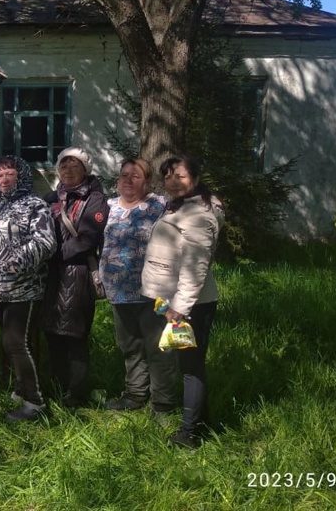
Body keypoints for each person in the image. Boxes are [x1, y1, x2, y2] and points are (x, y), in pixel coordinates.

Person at [141, 154, 223, 449]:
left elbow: (196, 266)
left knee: (191, 366)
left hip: (189, 305)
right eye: (168, 176)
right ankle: (202, 421)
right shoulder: (180, 207)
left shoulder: (200, 215)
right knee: (185, 362)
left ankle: (188, 434)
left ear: (196, 179)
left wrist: (180, 309)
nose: (173, 182)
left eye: (181, 176)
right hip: (166, 299)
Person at [0, 156, 58, 421]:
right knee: (10, 343)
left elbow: (46, 242)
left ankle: (35, 403)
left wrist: (14, 262)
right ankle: (23, 389)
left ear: (21, 175)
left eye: (9, 173)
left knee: (16, 342)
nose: (4, 179)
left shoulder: (35, 204)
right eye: (0, 175)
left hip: (23, 287)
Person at [99, 158, 177, 415]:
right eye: (124, 175)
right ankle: (134, 394)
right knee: (130, 346)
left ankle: (163, 404)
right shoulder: (109, 206)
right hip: (118, 291)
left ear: (148, 181)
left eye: (135, 176)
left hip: (153, 292)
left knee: (159, 349)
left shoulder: (160, 205)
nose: (128, 180)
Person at [41, 147, 108, 408]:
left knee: (75, 336)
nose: (68, 170)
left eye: (74, 165)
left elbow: (88, 238)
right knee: (52, 333)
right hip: (53, 276)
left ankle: (77, 394)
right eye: (64, 165)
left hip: (78, 273)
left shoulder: (95, 199)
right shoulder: (50, 198)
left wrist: (54, 254)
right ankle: (58, 387)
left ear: (85, 170)